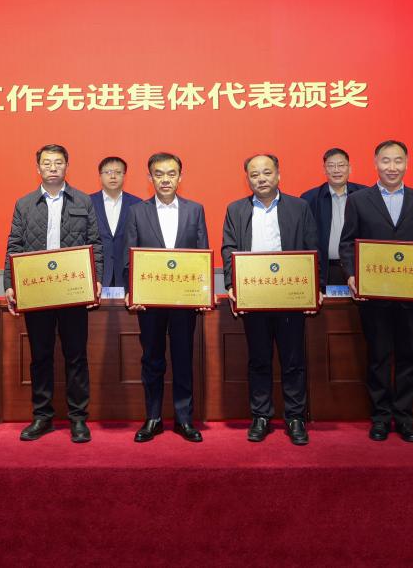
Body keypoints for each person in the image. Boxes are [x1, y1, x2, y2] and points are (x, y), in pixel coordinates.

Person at [339, 140, 413, 443]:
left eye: (398, 161)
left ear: (407, 163)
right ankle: (380, 418)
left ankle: (404, 419)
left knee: (408, 358)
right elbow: (347, 243)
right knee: (378, 358)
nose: (392, 167)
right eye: (386, 161)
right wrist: (351, 275)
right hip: (374, 297)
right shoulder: (358, 200)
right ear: (375, 163)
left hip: (411, 298)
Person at [4, 144, 103, 443]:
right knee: (40, 356)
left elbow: (95, 243)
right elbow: (14, 245)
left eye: (58, 163)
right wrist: (10, 283)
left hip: (72, 290)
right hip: (37, 291)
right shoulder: (24, 204)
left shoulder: (83, 200)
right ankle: (42, 416)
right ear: (38, 168)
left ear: (66, 167)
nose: (52, 168)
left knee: (76, 356)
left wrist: (95, 278)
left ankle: (78, 418)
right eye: (46, 163)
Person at [222, 154, 319, 445]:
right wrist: (231, 284)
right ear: (247, 179)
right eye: (254, 175)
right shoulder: (236, 210)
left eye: (266, 172)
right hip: (254, 296)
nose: (261, 179)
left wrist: (315, 286)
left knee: (293, 360)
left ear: (278, 175)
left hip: (290, 296)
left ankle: (295, 417)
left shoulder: (299, 207)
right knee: (259, 359)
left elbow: (312, 246)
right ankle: (261, 416)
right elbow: (229, 248)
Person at [123, 152, 209, 443]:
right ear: (150, 178)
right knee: (152, 359)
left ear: (180, 177)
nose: (165, 179)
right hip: (149, 301)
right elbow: (129, 256)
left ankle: (184, 419)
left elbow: (202, 254)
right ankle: (153, 418)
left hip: (184, 301)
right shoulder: (137, 211)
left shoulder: (195, 210)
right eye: (158, 174)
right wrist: (132, 291)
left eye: (171, 174)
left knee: (183, 358)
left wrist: (202, 293)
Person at [300, 148, 367, 287]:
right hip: (326, 270)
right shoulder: (309, 199)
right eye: (331, 166)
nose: (336, 170)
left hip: (359, 268)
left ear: (350, 168)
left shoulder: (365, 195)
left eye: (341, 165)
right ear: (324, 170)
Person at [90, 156, 141, 290]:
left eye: (118, 172)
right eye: (108, 172)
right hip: (97, 275)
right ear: (100, 176)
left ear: (125, 176)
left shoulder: (137, 204)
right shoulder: (88, 203)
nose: (113, 176)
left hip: (126, 275)